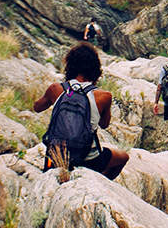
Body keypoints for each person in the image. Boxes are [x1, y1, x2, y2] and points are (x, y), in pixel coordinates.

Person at [33, 42, 129, 179]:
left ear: (70, 65)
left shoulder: (55, 89)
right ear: (95, 69)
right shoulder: (104, 96)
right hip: (88, 160)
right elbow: (104, 124)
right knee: (123, 157)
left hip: (56, 156)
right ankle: (99, 181)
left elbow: (37, 108)